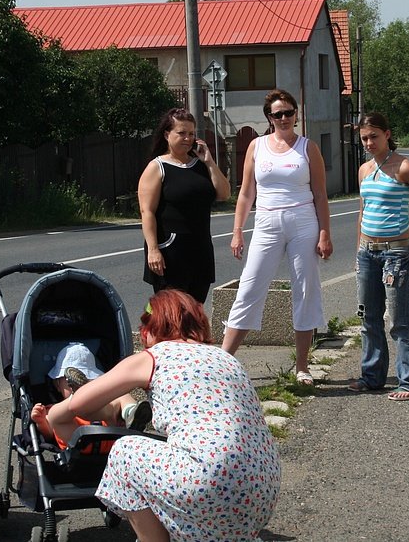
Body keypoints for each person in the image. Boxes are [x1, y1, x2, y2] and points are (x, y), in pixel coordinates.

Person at [47, 289, 280, 542]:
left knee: (125, 454)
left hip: (210, 477)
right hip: (263, 487)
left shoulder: (154, 356)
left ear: (150, 329)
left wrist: (54, 415)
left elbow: (80, 403)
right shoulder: (226, 358)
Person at [221, 89, 333, 386]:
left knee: (305, 290)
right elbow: (246, 192)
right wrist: (237, 231)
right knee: (249, 287)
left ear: (296, 114)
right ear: (269, 118)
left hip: (303, 222)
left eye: (288, 113)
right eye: (277, 114)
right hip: (266, 222)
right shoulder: (257, 146)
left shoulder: (308, 148)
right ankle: (223, 361)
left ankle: (302, 367)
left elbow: (320, 194)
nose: (284, 118)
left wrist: (324, 233)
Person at [350, 112, 409, 401]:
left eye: (374, 137)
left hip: (396, 254)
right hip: (367, 252)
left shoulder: (403, 167)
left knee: (400, 320)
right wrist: (358, 249)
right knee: (369, 318)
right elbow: (363, 211)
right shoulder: (364, 170)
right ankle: (372, 377)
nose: (369, 143)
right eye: (364, 138)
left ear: (387, 135)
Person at [138, 107, 231, 303]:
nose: (187, 138)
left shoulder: (201, 165)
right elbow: (147, 212)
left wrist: (209, 162)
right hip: (170, 251)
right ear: (167, 135)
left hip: (200, 249)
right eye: (181, 133)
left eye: (191, 133)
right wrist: (153, 250)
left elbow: (224, 194)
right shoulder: (157, 167)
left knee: (195, 309)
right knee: (171, 310)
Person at [29, 342, 151, 452]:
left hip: (110, 437)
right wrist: (41, 422)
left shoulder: (105, 402)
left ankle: (130, 412)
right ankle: (78, 396)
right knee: (54, 415)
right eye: (68, 382)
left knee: (120, 395)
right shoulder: (56, 408)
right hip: (76, 442)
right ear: (57, 385)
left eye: (89, 378)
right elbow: (49, 435)